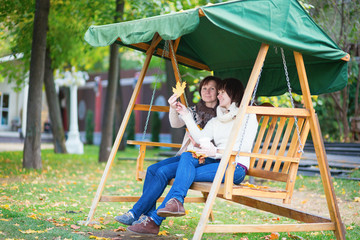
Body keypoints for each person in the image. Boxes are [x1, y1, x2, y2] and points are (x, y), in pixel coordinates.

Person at [127, 78, 258, 235]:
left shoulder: (248, 116)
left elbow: (243, 147)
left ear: (234, 94)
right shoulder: (218, 119)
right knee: (187, 157)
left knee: (183, 174)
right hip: (216, 164)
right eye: (220, 92)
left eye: (222, 92)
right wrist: (186, 115)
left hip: (234, 168)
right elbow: (201, 138)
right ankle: (173, 203)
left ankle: (154, 220)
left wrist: (216, 151)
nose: (219, 96)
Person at [114, 76, 221, 226]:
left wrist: (202, 143)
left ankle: (135, 213)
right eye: (204, 88)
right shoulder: (194, 110)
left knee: (163, 171)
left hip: (205, 159)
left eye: (212, 88)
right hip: (188, 156)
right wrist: (172, 107)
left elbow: (217, 141)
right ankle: (146, 215)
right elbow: (175, 123)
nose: (207, 92)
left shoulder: (220, 114)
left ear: (218, 92)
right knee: (152, 169)